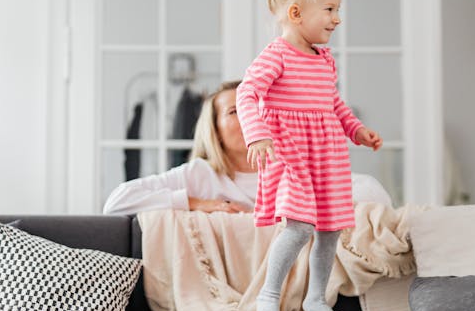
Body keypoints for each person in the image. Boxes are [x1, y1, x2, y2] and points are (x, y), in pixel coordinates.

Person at [236, 0, 383, 311]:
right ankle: (269, 295)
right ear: (296, 14)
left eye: (338, 10)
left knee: (331, 227)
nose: (337, 19)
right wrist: (257, 135)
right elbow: (246, 93)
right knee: (299, 226)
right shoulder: (277, 55)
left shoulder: (324, 60)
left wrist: (356, 130)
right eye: (330, 10)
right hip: (292, 151)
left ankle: (316, 295)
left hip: (328, 152)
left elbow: (333, 102)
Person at [102, 80, 391, 216]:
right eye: (235, 112)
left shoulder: (296, 170)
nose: (252, 119)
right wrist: (202, 204)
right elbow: (117, 203)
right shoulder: (199, 176)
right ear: (213, 129)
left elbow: (371, 193)